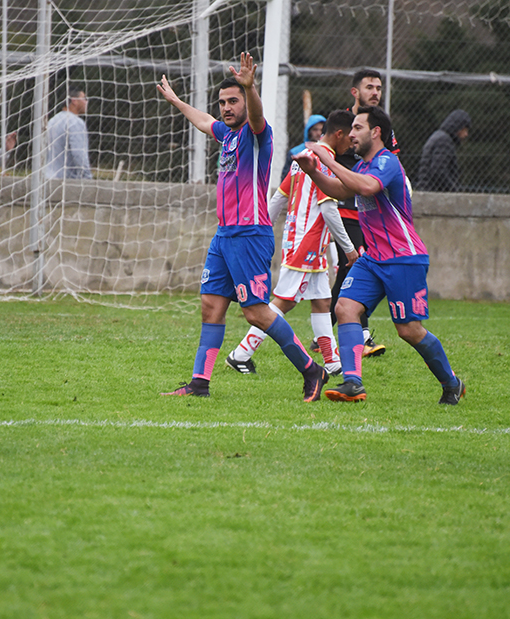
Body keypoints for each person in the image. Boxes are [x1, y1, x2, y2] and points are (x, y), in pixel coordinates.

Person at [156, 52, 328, 401]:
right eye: (223, 102)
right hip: (225, 235)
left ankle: (312, 370)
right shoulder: (227, 135)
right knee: (211, 305)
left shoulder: (256, 133)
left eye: (233, 100)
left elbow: (259, 115)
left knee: (254, 312)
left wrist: (251, 90)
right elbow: (204, 121)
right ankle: (199, 384)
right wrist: (176, 101)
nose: (226, 107)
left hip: (250, 234)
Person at [294, 106, 465, 405]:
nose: (350, 134)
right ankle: (353, 383)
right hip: (373, 258)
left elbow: (368, 187)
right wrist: (312, 172)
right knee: (345, 307)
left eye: (357, 128)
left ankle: (452, 383)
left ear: (376, 132)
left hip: (403, 258)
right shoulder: (361, 167)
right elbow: (339, 189)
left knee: (409, 331)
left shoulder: (387, 162)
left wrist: (325, 158)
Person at [225, 109, 359, 377]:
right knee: (282, 302)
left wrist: (261, 226)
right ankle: (240, 354)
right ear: (340, 134)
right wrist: (349, 249)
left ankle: (332, 362)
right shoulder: (323, 160)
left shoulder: (303, 158)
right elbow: (329, 209)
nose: (353, 142)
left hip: (305, 244)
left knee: (322, 300)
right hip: (306, 244)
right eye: (351, 137)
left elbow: (279, 197)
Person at [322, 68, 401, 359]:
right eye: (370, 87)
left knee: (348, 269)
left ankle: (327, 334)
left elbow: (388, 166)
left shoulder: (381, 132)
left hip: (368, 213)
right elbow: (336, 170)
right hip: (338, 208)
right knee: (352, 265)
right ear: (355, 92)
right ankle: (355, 337)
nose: (376, 92)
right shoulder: (342, 124)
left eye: (379, 87)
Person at [416, 109, 471, 192]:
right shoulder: (445, 141)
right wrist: (454, 191)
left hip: (426, 189)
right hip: (435, 192)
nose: (466, 134)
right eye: (465, 129)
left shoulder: (437, 136)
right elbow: (438, 171)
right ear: (459, 127)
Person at [46, 87, 92, 179]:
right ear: (74, 100)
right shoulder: (75, 122)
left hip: (47, 177)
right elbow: (79, 154)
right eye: (84, 98)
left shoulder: (52, 121)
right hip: (65, 181)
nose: (87, 102)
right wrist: (88, 178)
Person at [280, 114, 326, 180]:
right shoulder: (295, 152)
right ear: (308, 131)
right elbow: (285, 178)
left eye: (321, 130)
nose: (318, 133)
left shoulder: (329, 152)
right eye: (315, 130)